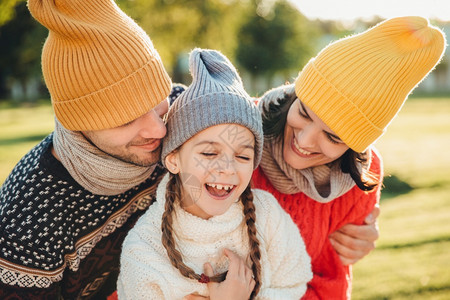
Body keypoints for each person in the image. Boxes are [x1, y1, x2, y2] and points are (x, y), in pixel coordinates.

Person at [0, 0, 185, 299]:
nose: (159, 129)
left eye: (156, 100)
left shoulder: (180, 112)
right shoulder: (28, 219)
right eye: (126, 119)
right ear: (79, 124)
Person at [251, 16, 446, 299]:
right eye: (303, 112)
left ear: (354, 147)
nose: (303, 141)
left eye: (333, 137)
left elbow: (330, 283)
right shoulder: (236, 130)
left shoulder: (361, 177)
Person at [117, 48, 313, 300]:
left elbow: (294, 285)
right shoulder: (144, 250)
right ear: (174, 159)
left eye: (242, 156)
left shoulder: (268, 216)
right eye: (209, 154)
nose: (227, 168)